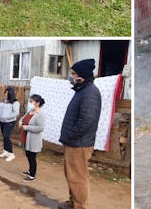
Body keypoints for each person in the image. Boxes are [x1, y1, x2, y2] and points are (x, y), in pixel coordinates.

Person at [58, 59, 102, 209]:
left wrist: (71, 135)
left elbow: (87, 120)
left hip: (79, 143)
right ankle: (73, 202)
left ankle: (81, 206)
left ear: (82, 75)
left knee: (78, 178)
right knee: (72, 176)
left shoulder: (90, 93)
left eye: (73, 74)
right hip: (74, 142)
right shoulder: (82, 90)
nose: (71, 76)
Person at [19, 94, 46, 182]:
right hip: (26, 137)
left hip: (33, 139)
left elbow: (40, 128)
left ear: (37, 103)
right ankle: (30, 170)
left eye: (31, 102)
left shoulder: (40, 114)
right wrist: (20, 122)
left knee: (32, 156)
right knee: (28, 154)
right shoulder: (30, 111)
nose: (30, 103)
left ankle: (32, 176)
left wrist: (26, 127)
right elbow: (23, 118)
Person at [0, 87, 20, 162]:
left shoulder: (15, 102)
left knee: (6, 136)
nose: (5, 94)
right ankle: (5, 151)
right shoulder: (3, 101)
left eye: (7, 93)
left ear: (11, 94)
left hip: (9, 122)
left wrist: (6, 117)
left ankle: (11, 154)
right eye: (5, 93)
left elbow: (16, 113)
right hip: (2, 121)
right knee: (4, 136)